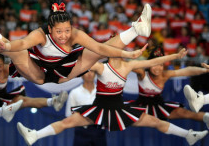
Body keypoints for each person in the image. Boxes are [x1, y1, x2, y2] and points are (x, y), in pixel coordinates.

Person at [16, 48, 208, 146]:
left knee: (156, 122)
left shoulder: (128, 66)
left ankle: (188, 135)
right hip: (99, 109)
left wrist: (174, 56)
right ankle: (35, 135)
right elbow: (83, 63)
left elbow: (154, 61)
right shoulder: (102, 66)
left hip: (120, 110)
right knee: (67, 123)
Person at [0, 0, 151, 85]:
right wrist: (6, 48)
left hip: (66, 73)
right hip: (38, 73)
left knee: (95, 53)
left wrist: (127, 55)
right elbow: (22, 43)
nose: (64, 36)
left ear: (71, 27)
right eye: (58, 32)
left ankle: (137, 28)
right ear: (49, 28)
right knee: (16, 52)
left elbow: (101, 49)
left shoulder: (76, 34)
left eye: (67, 31)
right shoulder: (41, 34)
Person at [125, 46, 209, 127]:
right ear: (149, 64)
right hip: (141, 105)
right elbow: (125, 65)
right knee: (123, 115)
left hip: (159, 105)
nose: (157, 68)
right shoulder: (142, 73)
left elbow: (187, 71)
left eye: (161, 65)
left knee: (185, 113)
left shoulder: (164, 75)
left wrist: (204, 70)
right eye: (154, 64)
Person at [65, 71, 107, 146]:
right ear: (81, 75)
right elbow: (69, 114)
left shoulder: (103, 92)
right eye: (87, 72)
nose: (89, 74)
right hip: (81, 131)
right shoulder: (75, 92)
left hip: (99, 130)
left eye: (92, 71)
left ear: (95, 74)